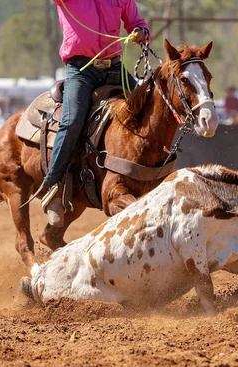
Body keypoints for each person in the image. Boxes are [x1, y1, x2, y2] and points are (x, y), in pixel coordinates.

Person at [41, 0, 150, 227]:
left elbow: (135, 22)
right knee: (72, 121)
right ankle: (53, 185)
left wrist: (141, 31)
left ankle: (152, 173)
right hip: (81, 70)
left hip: (114, 67)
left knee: (149, 107)